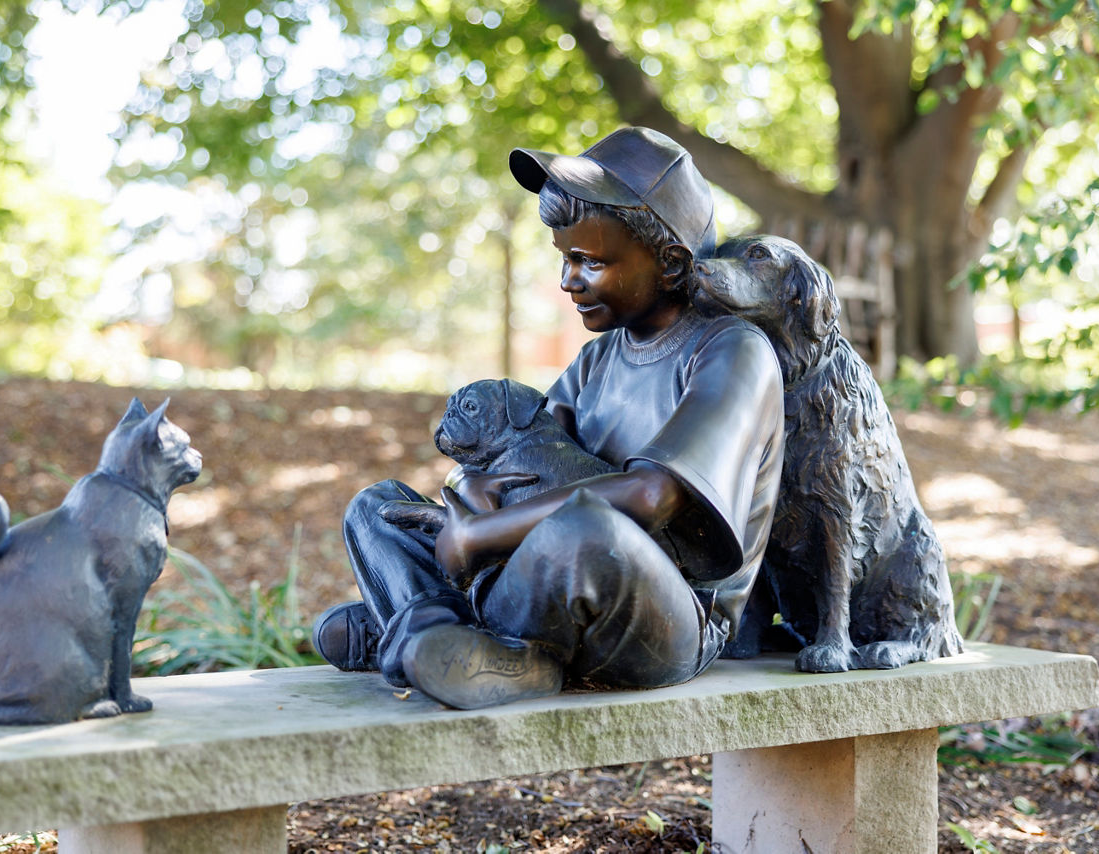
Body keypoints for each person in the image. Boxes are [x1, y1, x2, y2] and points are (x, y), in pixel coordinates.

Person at [312, 127, 785, 709]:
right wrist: (472, 490)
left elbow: (653, 494)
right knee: (376, 508)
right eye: (565, 259)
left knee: (584, 529)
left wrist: (482, 534)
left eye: (589, 261)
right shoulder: (599, 358)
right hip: (549, 573)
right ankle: (439, 635)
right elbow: (522, 450)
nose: (568, 281)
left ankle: (436, 631)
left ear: (669, 262)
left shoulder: (732, 351)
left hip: (669, 612)